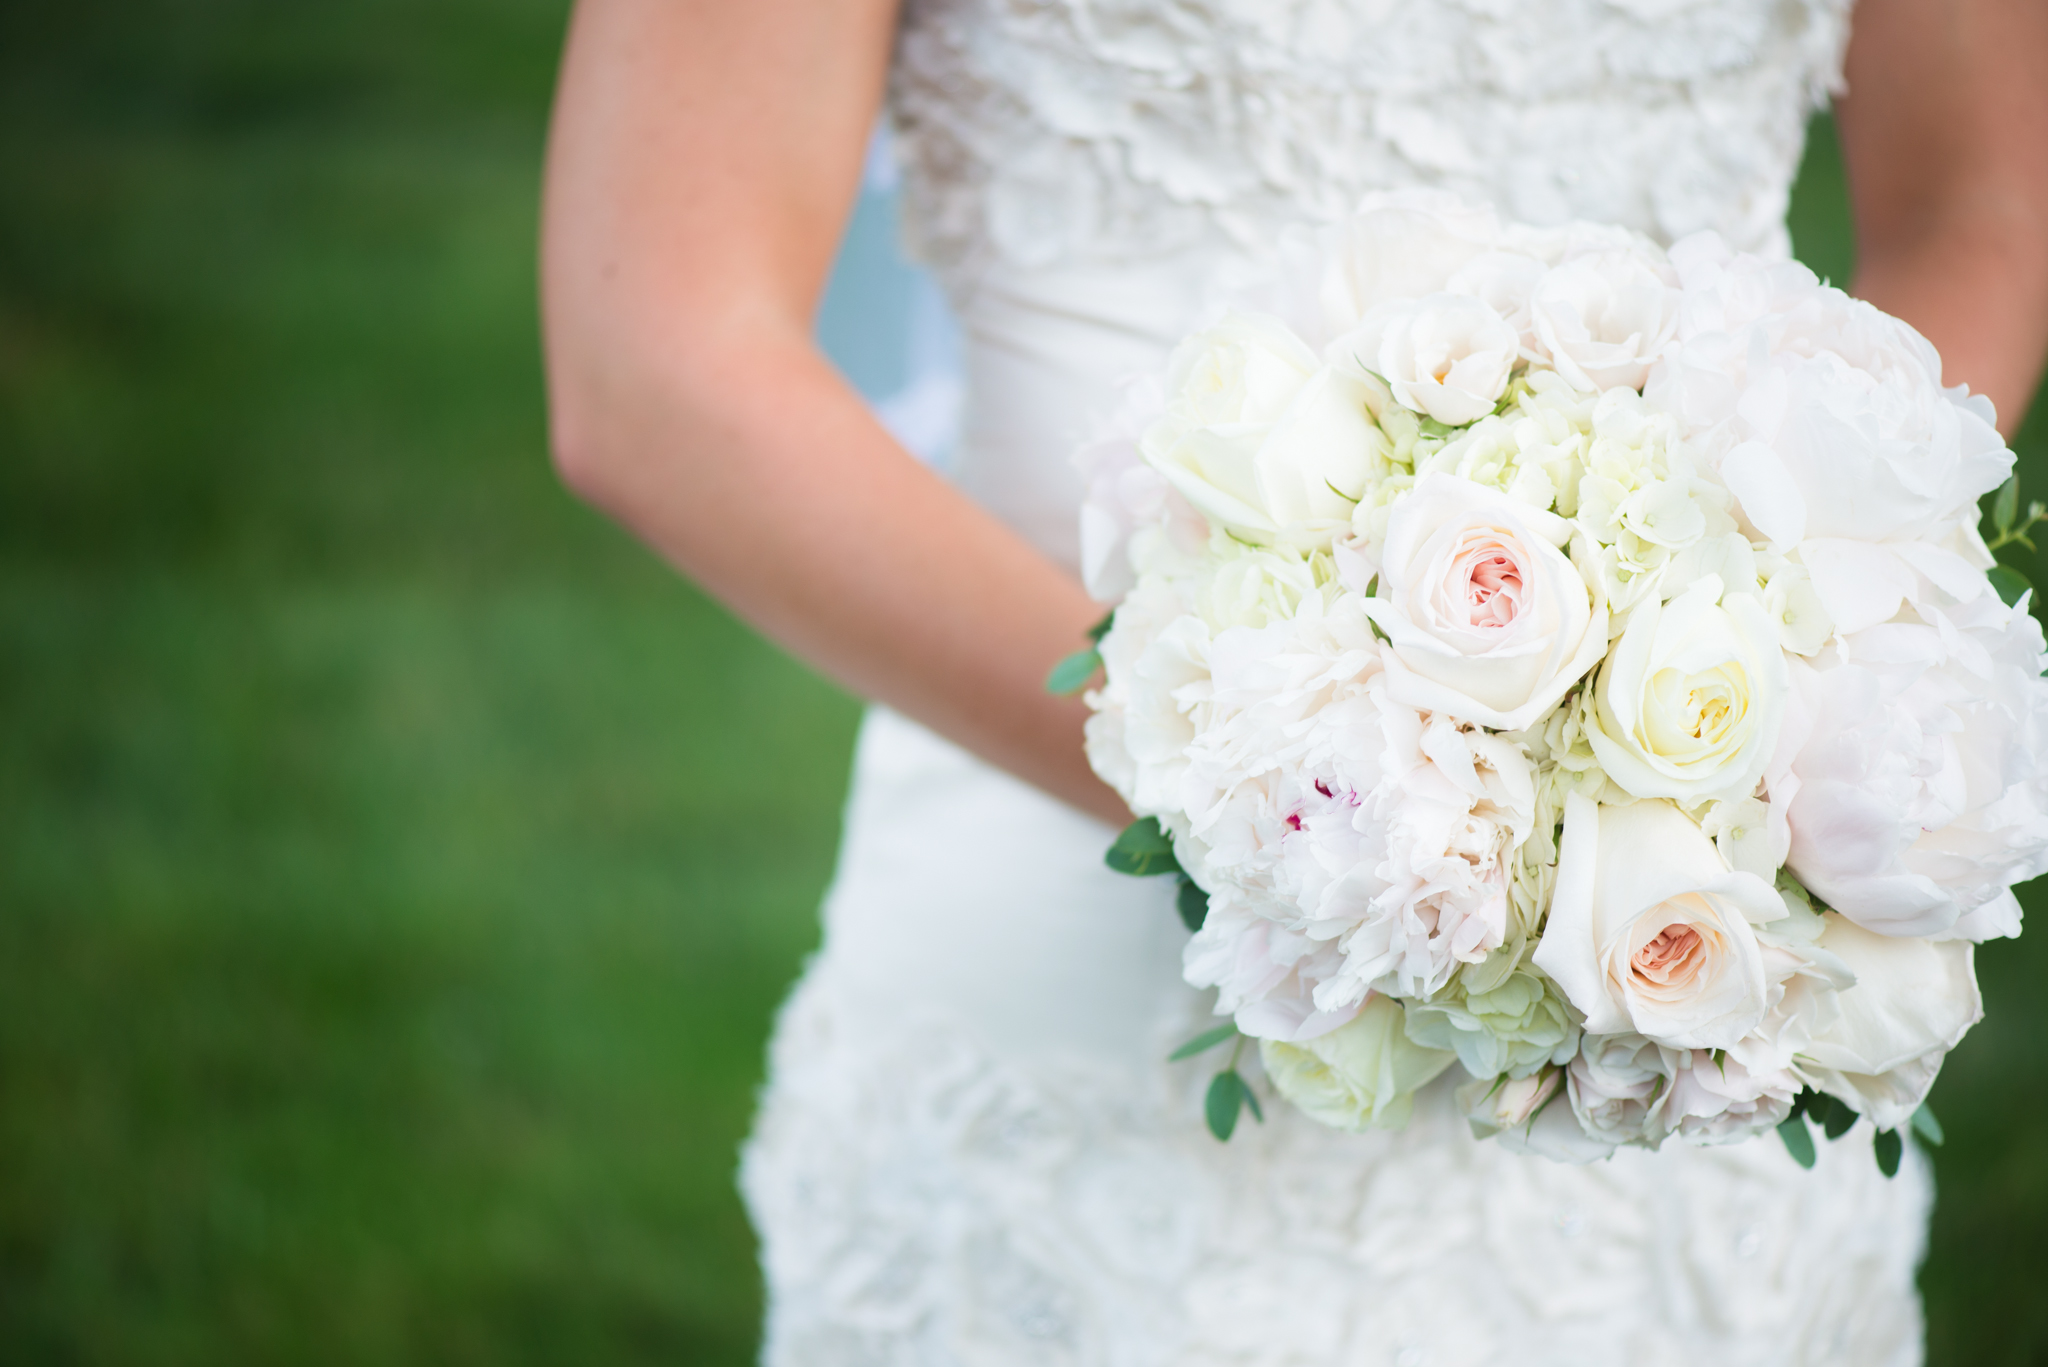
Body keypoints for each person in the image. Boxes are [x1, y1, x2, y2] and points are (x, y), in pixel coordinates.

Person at [540, 1, 2048, 1360]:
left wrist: (1807, 648)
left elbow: (1979, 202)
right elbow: (656, 356)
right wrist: (1322, 813)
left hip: (1696, 961)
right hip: (1057, 937)